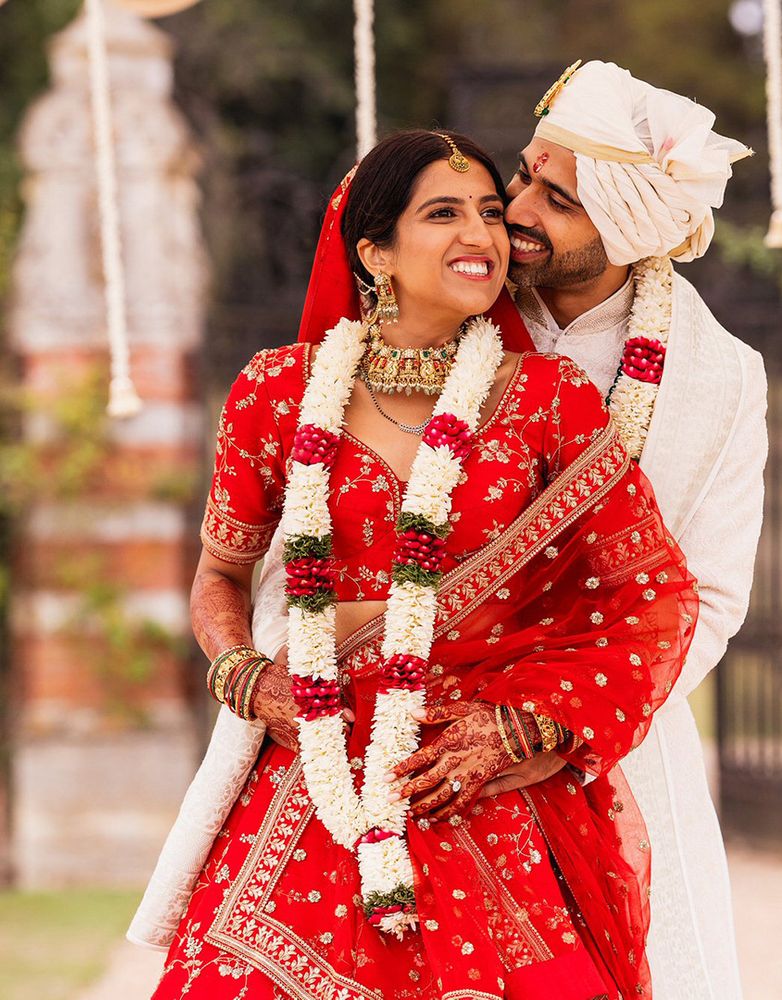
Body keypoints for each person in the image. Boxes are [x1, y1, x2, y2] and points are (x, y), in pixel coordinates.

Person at [137, 129, 698, 1000]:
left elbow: (651, 596)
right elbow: (219, 576)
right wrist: (250, 679)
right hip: (312, 754)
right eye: (443, 214)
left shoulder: (551, 400)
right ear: (374, 251)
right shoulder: (277, 393)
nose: (481, 234)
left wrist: (528, 729)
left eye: (486, 211)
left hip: (466, 766)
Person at [480, 60, 768, 1000]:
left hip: (617, 741)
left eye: (554, 198)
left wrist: (562, 721)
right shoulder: (450, 317)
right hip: (433, 733)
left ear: (625, 224)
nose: (515, 206)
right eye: (525, 174)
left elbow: (715, 598)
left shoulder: (718, 376)